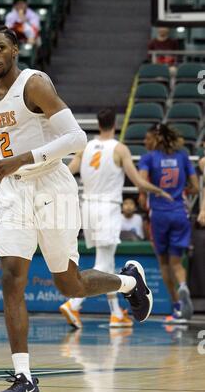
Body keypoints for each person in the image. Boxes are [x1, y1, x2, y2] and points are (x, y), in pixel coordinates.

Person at [0, 26, 156, 392]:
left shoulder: (34, 84)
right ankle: (25, 379)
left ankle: (129, 282)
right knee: (11, 277)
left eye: (0, 48)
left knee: (69, 285)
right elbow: (4, 148)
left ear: (15, 49)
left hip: (53, 186)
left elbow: (75, 139)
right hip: (14, 192)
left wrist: (24, 159)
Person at [59, 108, 171, 330]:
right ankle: (73, 303)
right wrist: (160, 192)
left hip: (87, 207)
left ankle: (116, 314)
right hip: (107, 207)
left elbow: (67, 171)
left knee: (107, 263)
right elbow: (138, 182)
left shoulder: (86, 147)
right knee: (103, 262)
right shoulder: (119, 149)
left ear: (98, 124)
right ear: (115, 123)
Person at [139, 124, 199, 324]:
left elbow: (142, 183)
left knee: (164, 262)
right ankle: (183, 286)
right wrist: (182, 191)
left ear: (156, 139)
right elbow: (196, 186)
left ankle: (177, 307)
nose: (144, 142)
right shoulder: (182, 156)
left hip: (160, 215)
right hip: (180, 213)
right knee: (176, 262)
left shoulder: (148, 158)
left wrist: (158, 192)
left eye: (147, 139)